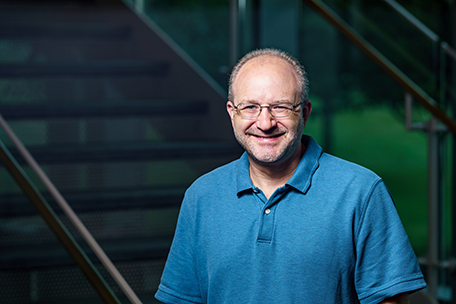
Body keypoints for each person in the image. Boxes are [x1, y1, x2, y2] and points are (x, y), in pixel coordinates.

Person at [155, 48, 426, 304]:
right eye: (250, 107)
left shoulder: (361, 192)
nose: (265, 123)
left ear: (305, 112)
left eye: (281, 107)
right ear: (231, 112)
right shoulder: (202, 196)